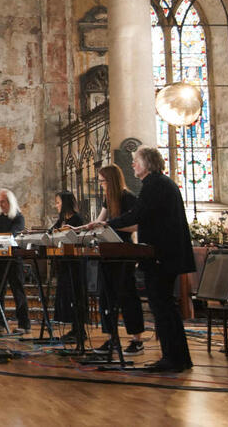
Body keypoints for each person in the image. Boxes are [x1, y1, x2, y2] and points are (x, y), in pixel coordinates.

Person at [102, 146, 195, 372]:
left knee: (163, 308)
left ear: (147, 163)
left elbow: (137, 215)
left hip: (162, 256)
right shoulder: (159, 184)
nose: (133, 164)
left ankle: (172, 359)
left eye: (136, 160)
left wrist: (106, 224)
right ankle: (179, 358)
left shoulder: (155, 185)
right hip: (165, 255)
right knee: (165, 308)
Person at [88, 164, 145, 356]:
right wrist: (91, 226)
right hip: (108, 253)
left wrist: (112, 227)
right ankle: (112, 337)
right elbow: (101, 220)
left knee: (127, 295)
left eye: (103, 181)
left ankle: (137, 340)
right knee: (106, 296)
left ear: (111, 180)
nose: (101, 184)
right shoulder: (108, 198)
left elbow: (136, 226)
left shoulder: (128, 198)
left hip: (124, 252)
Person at [0, 189, 30, 334]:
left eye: (2, 201)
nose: (0, 204)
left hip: (14, 260)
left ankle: (24, 324)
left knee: (18, 292)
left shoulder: (18, 218)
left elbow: (11, 235)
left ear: (10, 202)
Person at [50, 191, 87, 343]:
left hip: (76, 265)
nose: (56, 205)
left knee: (76, 296)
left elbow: (80, 239)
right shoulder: (61, 220)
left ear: (65, 203)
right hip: (64, 264)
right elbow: (51, 232)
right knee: (67, 297)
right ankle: (73, 329)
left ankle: (79, 330)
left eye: (58, 202)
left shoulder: (76, 219)